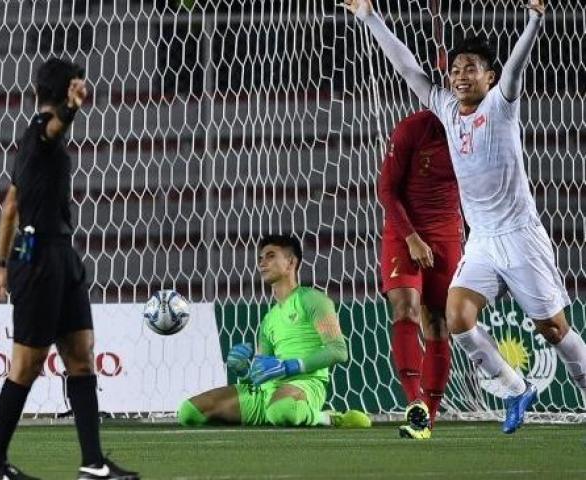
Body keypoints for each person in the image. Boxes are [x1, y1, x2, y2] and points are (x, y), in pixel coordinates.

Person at [342, 0, 586, 433]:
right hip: (483, 240)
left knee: (552, 327)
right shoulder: (444, 107)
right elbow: (406, 67)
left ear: (489, 78)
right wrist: (368, 16)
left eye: (471, 67)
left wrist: (533, 20)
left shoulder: (501, 105)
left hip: (520, 235)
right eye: (455, 68)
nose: (460, 74)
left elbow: (514, 69)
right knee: (456, 319)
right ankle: (515, 388)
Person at [0, 58, 139, 480]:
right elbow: (56, 127)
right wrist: (73, 109)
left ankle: (94, 463)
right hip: (39, 260)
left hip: (61, 254)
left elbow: (11, 203)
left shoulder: (33, 146)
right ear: (66, 87)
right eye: (76, 84)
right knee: (26, 366)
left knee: (82, 357)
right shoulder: (41, 133)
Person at [178, 234, 371, 429]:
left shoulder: (313, 300)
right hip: (265, 392)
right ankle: (273, 413)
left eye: (270, 256)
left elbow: (338, 350)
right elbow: (260, 370)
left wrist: (290, 366)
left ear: (291, 262)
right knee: (189, 412)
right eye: (260, 258)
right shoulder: (269, 319)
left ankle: (332, 418)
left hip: (305, 385)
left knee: (282, 410)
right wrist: (243, 369)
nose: (262, 263)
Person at [378, 110, 462, 439]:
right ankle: (415, 403)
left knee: (439, 321)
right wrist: (411, 238)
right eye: (455, 73)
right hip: (404, 233)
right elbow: (386, 190)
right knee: (405, 307)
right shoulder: (413, 128)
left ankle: (428, 420)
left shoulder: (480, 129)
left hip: (447, 236)